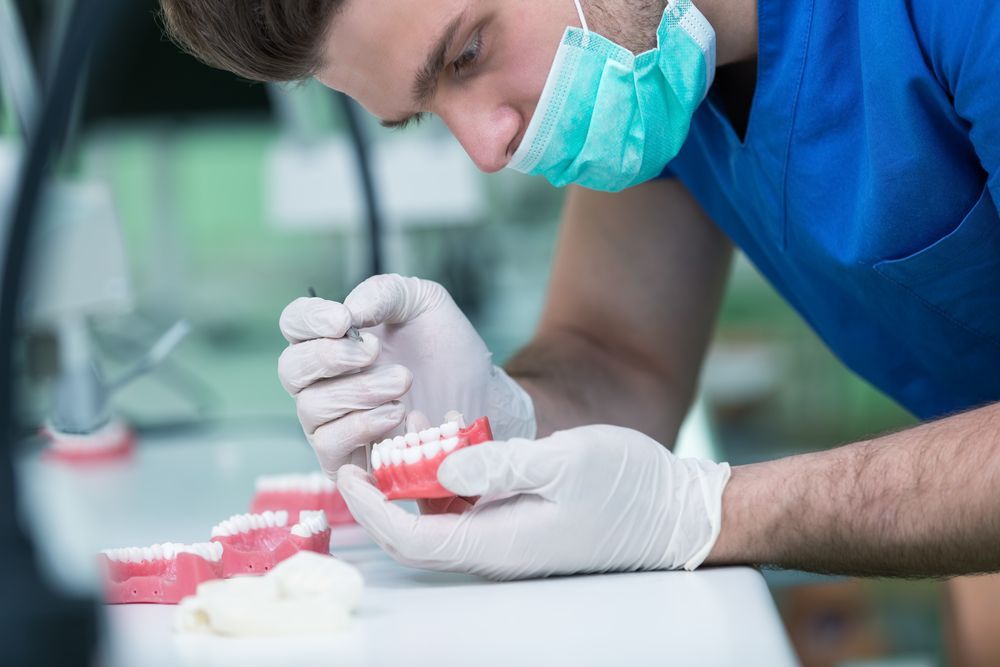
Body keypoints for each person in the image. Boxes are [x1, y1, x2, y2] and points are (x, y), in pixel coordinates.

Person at [160, 0, 1000, 658]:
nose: (488, 149)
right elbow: (617, 356)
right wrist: (493, 419)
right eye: (424, 112)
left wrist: (710, 513)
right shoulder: (662, 65)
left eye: (467, 53)